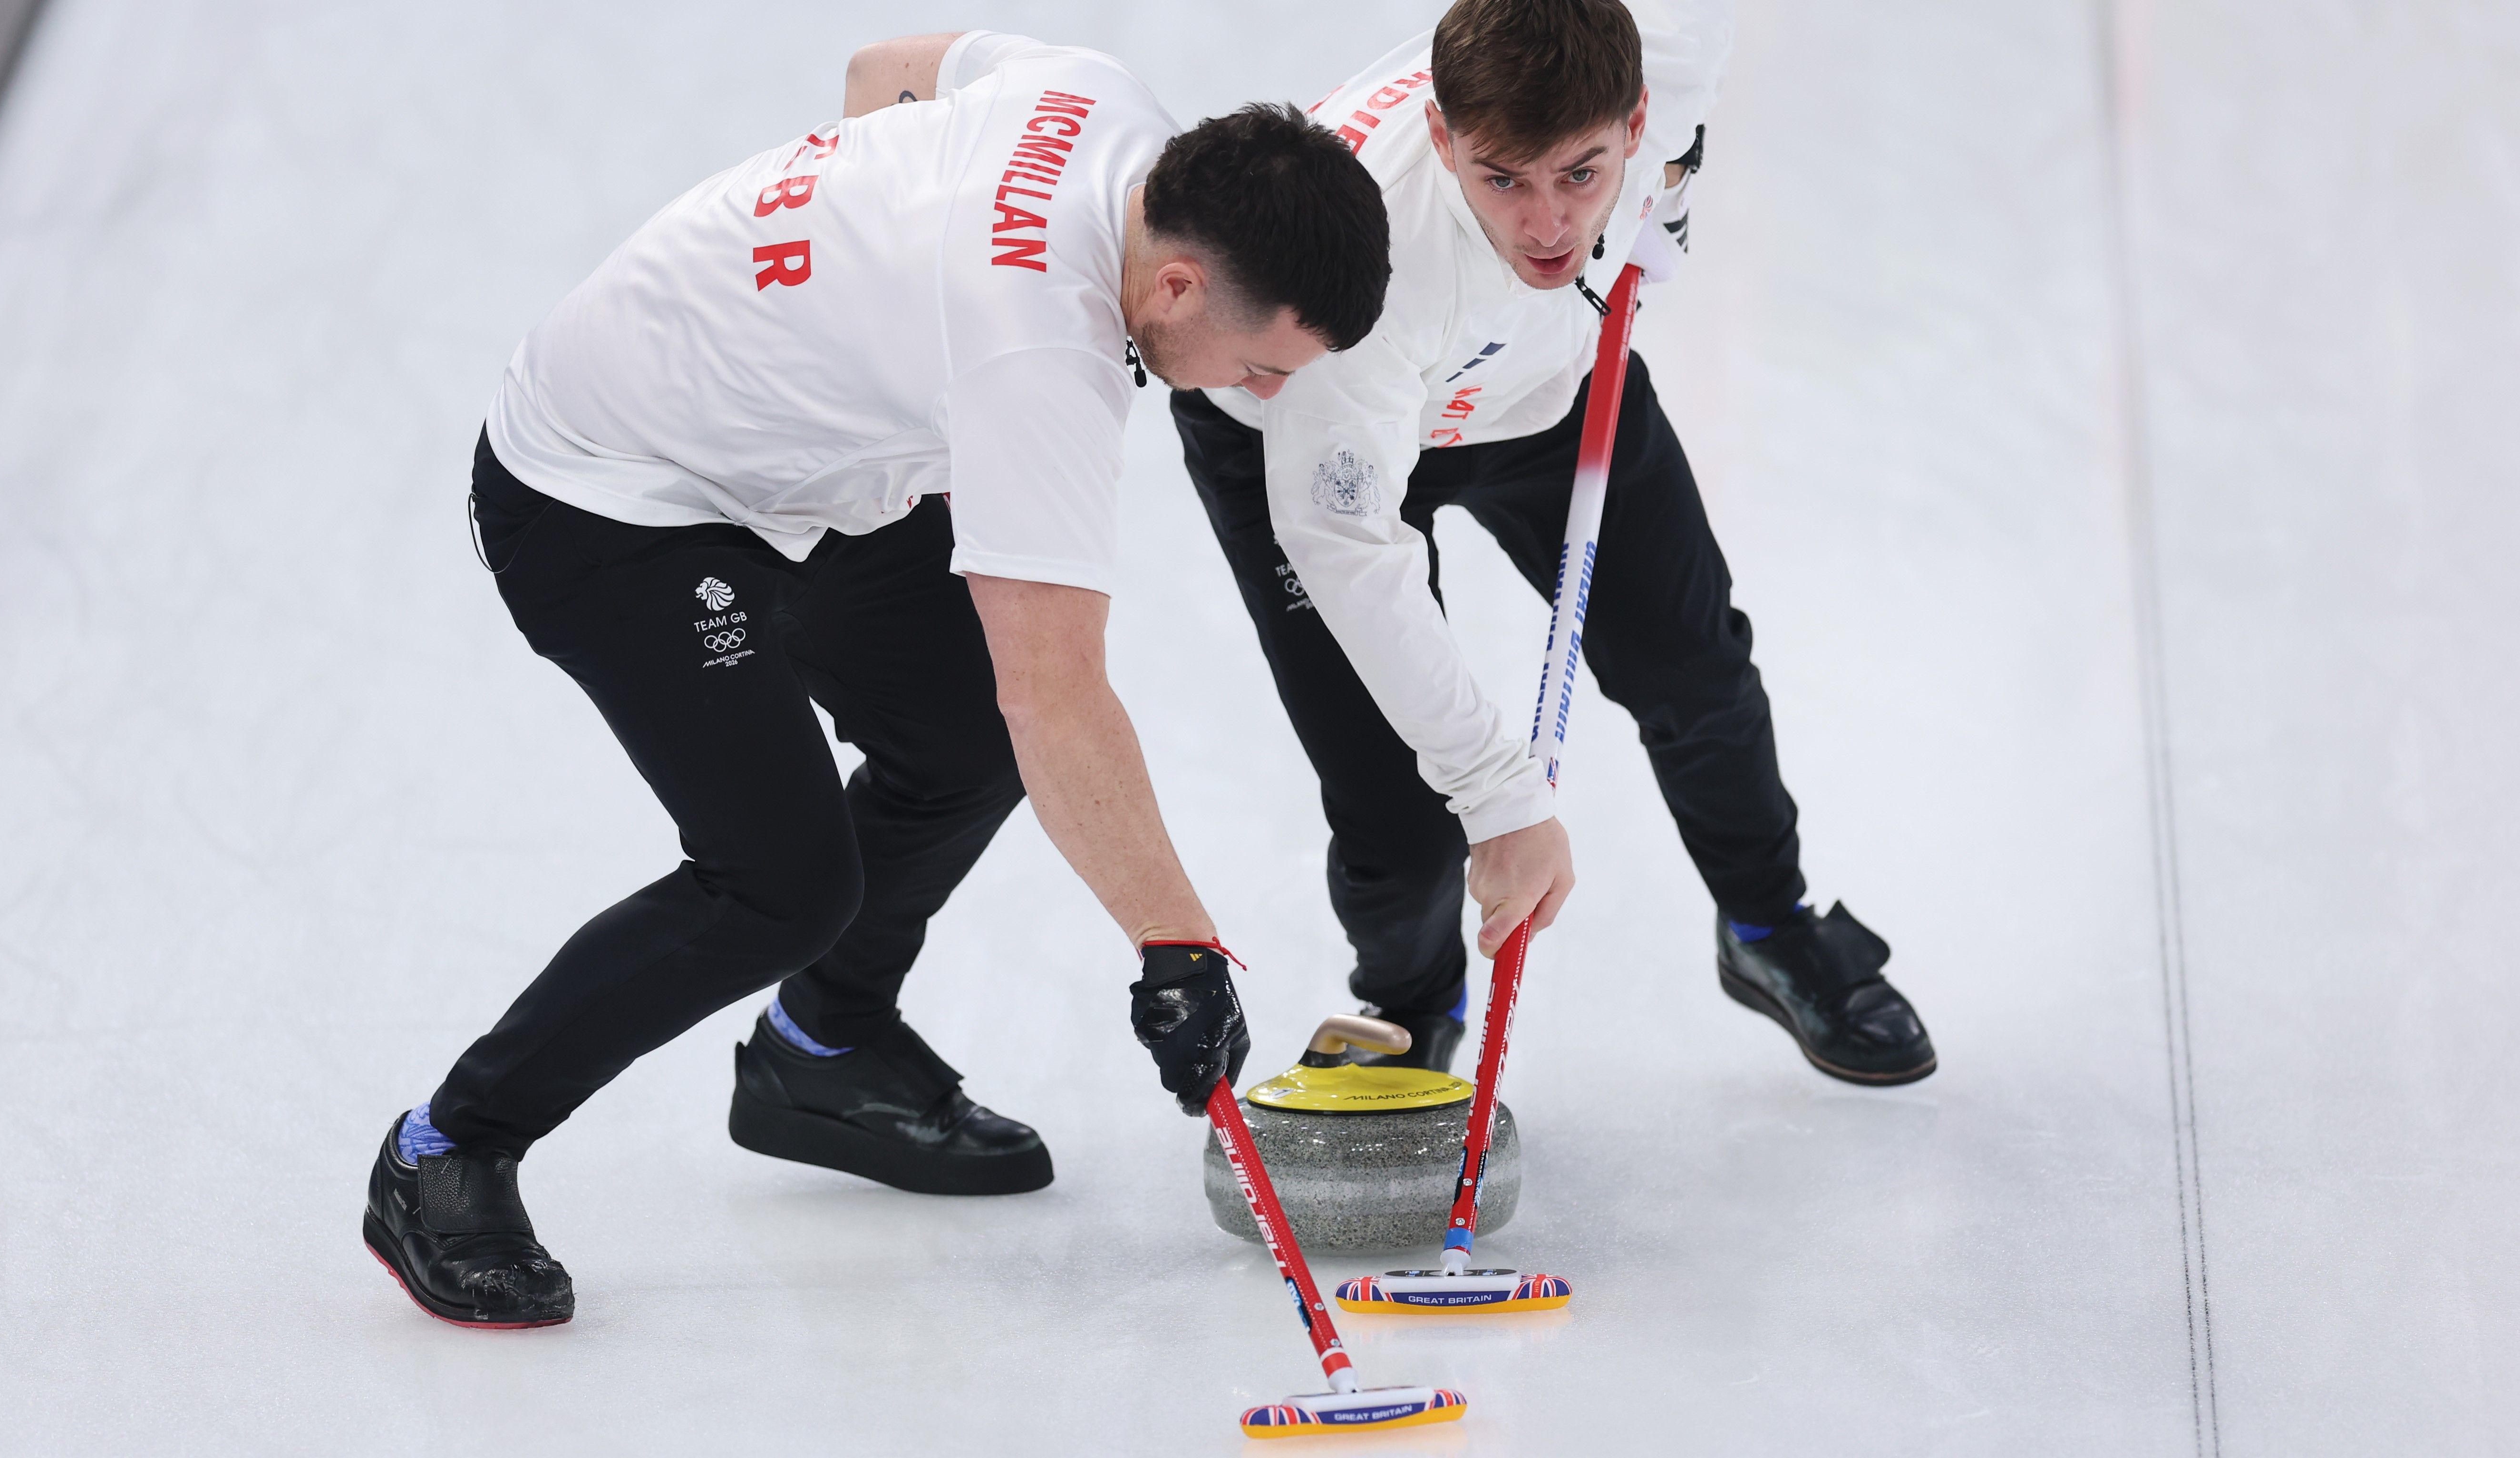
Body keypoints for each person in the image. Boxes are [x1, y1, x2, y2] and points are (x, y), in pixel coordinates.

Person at [363, 30, 1391, 1329]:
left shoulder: (1096, 102)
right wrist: (1176, 947)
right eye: (1262, 367)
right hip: (603, 495)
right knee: (778, 886)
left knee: (959, 738)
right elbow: (1057, 694)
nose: (1262, 395)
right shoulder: (1038, 357)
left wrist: (858, 321)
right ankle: (446, 1147)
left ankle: (824, 1048)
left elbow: (880, 74)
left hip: (789, 463)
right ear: (1177, 285)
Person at [1171, 0, 1934, 1083]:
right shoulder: (1361, 273)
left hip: (1543, 396)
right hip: (1304, 433)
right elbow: (1353, 556)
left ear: (1635, 120)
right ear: (1443, 139)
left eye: (1581, 174)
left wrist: (1669, 196)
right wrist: (1502, 799)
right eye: (1503, 180)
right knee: (1399, 803)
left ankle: (1769, 925)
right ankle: (1407, 1008)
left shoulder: (1670, 54)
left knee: (1695, 671)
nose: (1546, 226)